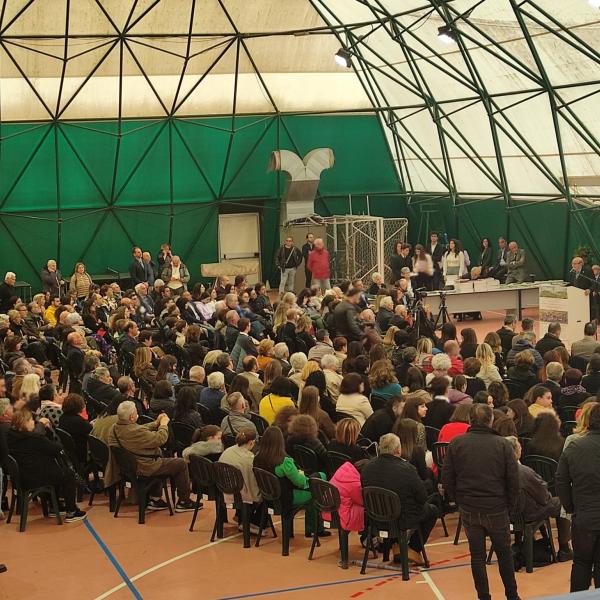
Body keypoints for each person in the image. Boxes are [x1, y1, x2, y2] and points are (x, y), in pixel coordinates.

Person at [442, 404, 520, 600]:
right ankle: (512, 595)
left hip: (469, 508)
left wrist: (457, 501)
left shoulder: (457, 444)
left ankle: (483, 596)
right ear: (491, 420)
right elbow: (513, 480)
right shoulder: (502, 444)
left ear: (470, 420)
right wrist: (510, 506)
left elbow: (447, 478)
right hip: (496, 507)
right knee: (504, 554)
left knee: (477, 556)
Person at [361, 433, 439, 565]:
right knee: (432, 510)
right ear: (398, 450)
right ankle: (413, 548)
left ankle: (396, 545)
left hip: (374, 518)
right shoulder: (407, 469)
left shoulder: (367, 468)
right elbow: (422, 497)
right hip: (401, 519)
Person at [108, 401, 194, 511]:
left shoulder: (115, 428)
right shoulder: (135, 432)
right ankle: (184, 501)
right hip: (145, 466)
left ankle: (155, 499)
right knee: (181, 463)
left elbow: (140, 429)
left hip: (130, 466)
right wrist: (163, 425)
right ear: (132, 416)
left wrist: (156, 422)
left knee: (160, 458)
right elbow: (160, 439)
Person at [7, 409, 87, 521]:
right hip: (35, 477)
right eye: (30, 420)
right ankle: (72, 511)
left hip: (22, 476)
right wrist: (48, 429)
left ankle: (55, 507)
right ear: (24, 422)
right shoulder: (34, 438)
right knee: (68, 474)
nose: (33, 423)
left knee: (54, 471)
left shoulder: (10, 437)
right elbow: (56, 448)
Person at [505, 436, 572, 561]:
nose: (521, 448)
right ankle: (564, 548)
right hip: (528, 512)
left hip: (508, 515)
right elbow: (544, 497)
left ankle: (521, 543)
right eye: (519, 446)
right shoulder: (523, 472)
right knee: (562, 503)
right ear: (514, 451)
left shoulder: (498, 470)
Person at [557, 403, 600, 591]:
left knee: (581, 563)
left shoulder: (574, 445)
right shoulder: (574, 445)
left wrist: (570, 507)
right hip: (586, 511)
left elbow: (561, 481)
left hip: (583, 516)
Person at [254, 426, 327, 538]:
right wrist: (302, 475)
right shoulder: (284, 462)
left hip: (268, 498)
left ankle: (312, 529)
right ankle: (313, 529)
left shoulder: (257, 459)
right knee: (316, 489)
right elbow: (300, 482)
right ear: (280, 442)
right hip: (286, 498)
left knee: (315, 480)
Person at [218, 428, 262, 530]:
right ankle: (254, 523)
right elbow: (252, 485)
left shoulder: (227, 451)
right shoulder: (249, 458)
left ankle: (240, 516)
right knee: (263, 494)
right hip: (239, 495)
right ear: (252, 442)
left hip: (224, 490)